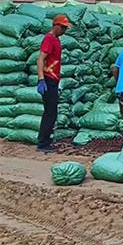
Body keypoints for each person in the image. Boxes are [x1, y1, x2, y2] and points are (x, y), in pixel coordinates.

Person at [36, 14, 71, 152]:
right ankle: (43, 143)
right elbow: (40, 59)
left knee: (52, 112)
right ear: (55, 25)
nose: (64, 30)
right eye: (62, 27)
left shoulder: (56, 39)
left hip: (53, 79)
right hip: (48, 79)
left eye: (65, 28)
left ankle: (46, 140)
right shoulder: (49, 39)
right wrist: (41, 79)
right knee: (50, 112)